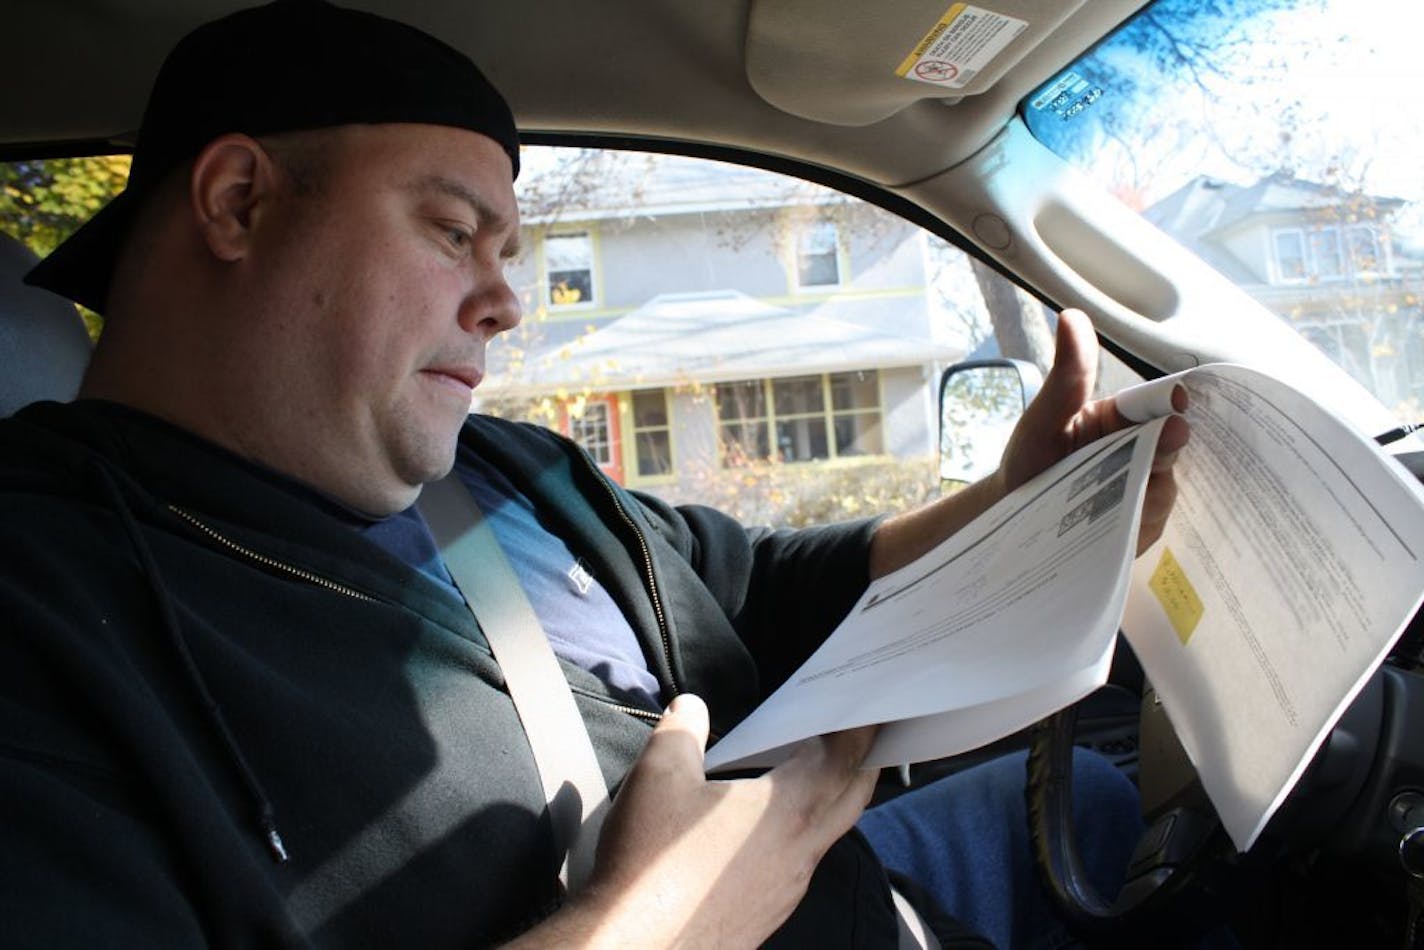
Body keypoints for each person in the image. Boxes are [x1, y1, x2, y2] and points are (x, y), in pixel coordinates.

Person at [1, 0, 1188, 946]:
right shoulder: (43, 612)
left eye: (509, 250)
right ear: (239, 201)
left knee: (1102, 798)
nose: (504, 298)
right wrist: (663, 921)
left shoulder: (502, 470)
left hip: (877, 900)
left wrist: (1014, 501)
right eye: (452, 230)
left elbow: (761, 586)